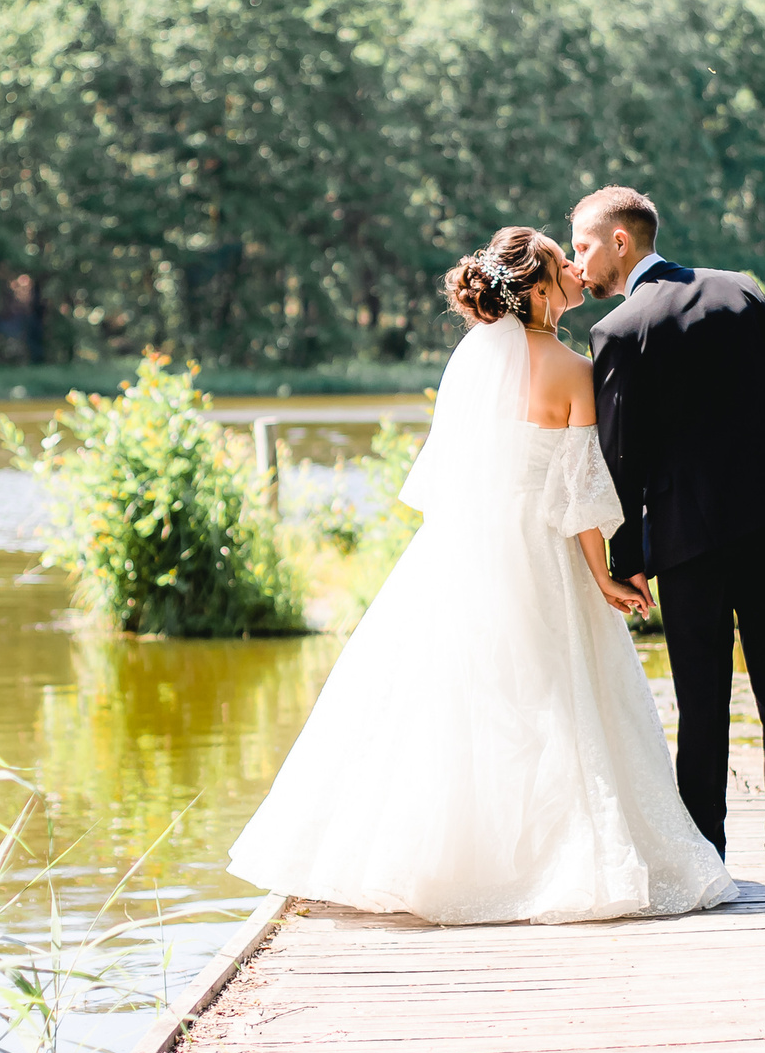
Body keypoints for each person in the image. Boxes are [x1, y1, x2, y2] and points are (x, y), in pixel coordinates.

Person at [226, 227, 735, 925]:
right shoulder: (573, 369)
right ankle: (553, 862)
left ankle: (446, 860)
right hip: (542, 551)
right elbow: (581, 495)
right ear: (538, 289)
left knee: (461, 698)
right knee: (560, 698)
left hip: (465, 547)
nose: (576, 269)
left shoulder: (472, 358)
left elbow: (454, 473)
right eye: (561, 262)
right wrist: (605, 576)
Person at [570, 186, 765, 899]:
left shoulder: (619, 330)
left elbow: (619, 457)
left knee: (702, 700)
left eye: (585, 246)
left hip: (688, 541)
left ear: (621, 241)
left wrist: (627, 559)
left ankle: (708, 858)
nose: (578, 262)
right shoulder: (741, 291)